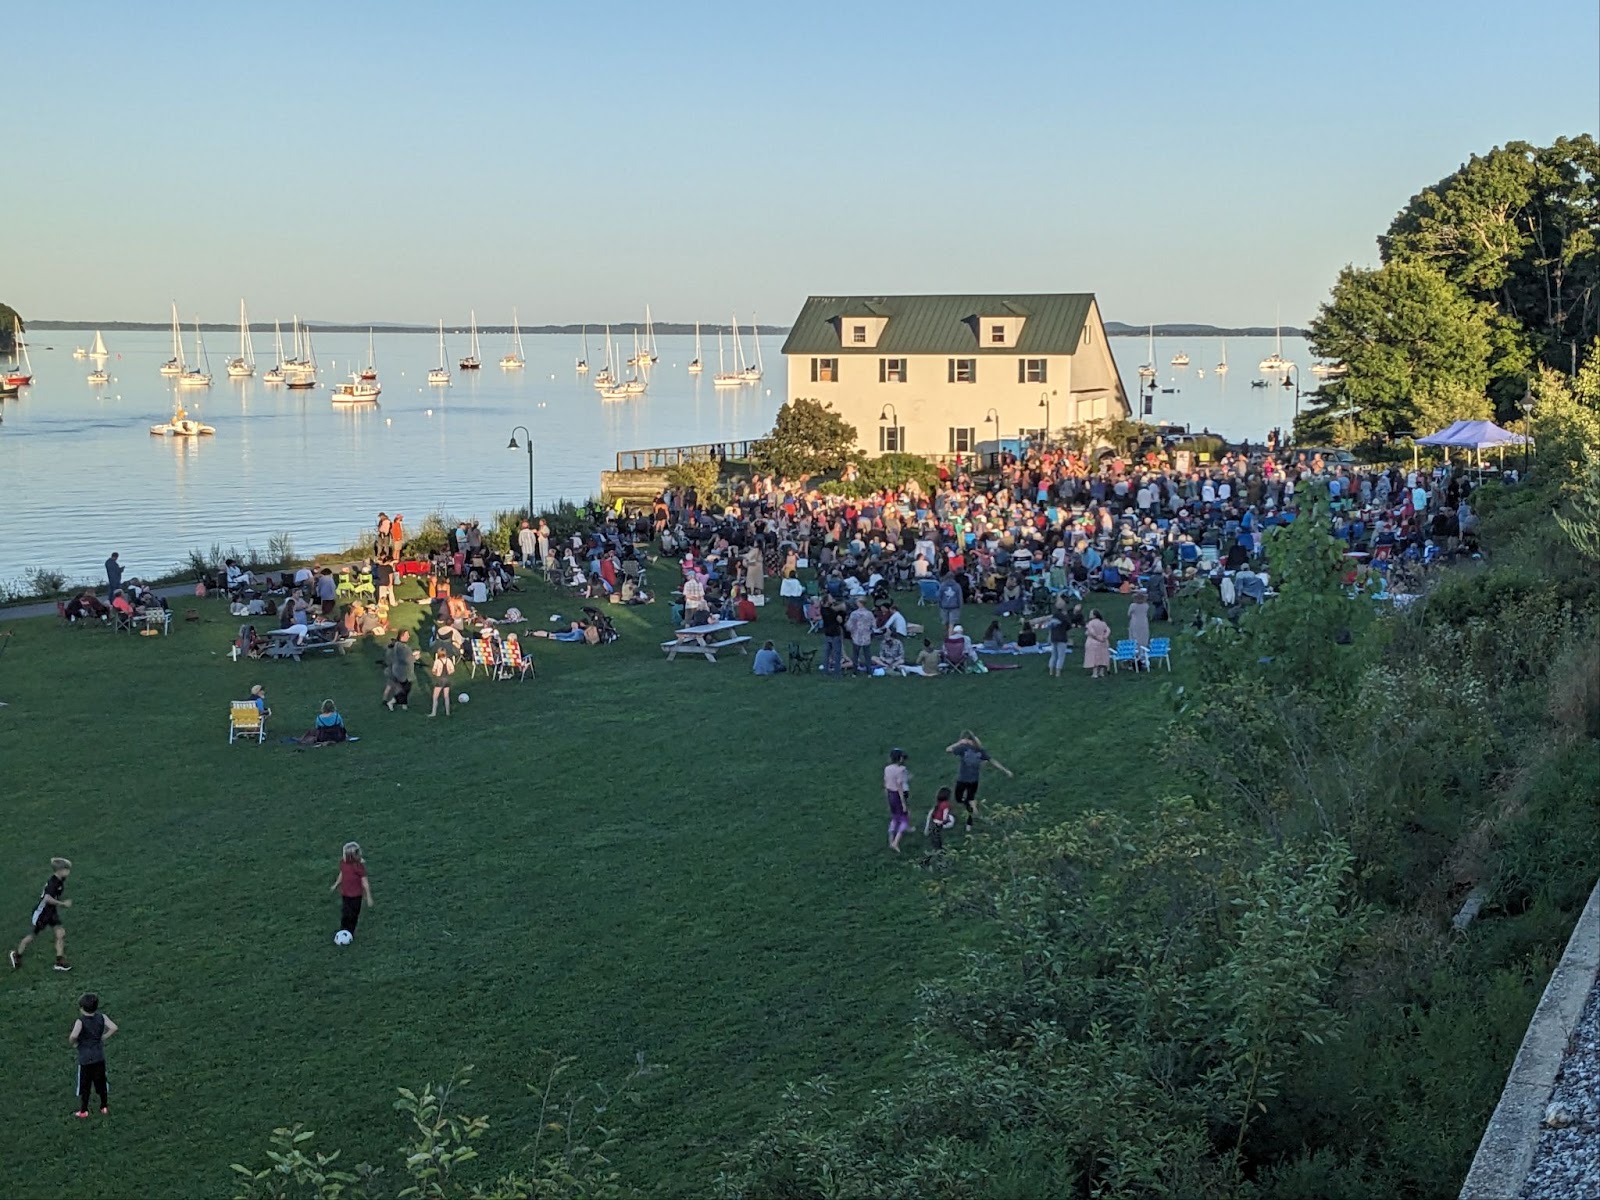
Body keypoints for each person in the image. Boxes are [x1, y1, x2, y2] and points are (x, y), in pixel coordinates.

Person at [11, 857, 73, 972]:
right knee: (32, 936)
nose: (69, 871)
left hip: (51, 912)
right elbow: (47, 898)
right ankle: (17, 954)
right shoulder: (53, 882)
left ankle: (59, 961)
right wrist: (62, 903)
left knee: (60, 933)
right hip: (42, 913)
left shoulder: (60, 879)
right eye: (67, 869)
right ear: (60, 871)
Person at [946, 731, 1014, 830]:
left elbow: (993, 761)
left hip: (973, 780)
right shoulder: (963, 748)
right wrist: (959, 743)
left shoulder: (980, 751)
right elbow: (948, 750)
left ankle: (972, 819)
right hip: (962, 779)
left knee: (970, 799)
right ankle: (973, 810)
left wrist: (1006, 771)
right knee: (959, 798)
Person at [70, 992, 117, 1118]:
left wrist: (74, 1043)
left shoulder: (80, 1021)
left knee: (85, 1085)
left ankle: (84, 1110)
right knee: (101, 1083)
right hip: (99, 1057)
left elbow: (74, 1035)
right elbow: (113, 1027)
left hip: (85, 1059)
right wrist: (103, 1037)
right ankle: (104, 1106)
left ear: (82, 1008)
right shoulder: (102, 1017)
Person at [330, 841, 374, 939]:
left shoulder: (359, 867)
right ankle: (343, 930)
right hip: (345, 894)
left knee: (353, 914)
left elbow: (365, 883)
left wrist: (368, 896)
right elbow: (342, 874)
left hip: (356, 895)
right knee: (345, 912)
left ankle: (350, 932)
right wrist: (336, 884)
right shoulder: (343, 864)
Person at [883, 747, 912, 853]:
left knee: (895, 817)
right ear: (900, 759)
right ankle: (896, 842)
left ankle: (891, 839)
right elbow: (900, 786)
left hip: (890, 794)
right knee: (904, 818)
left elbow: (886, 783)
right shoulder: (900, 770)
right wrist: (903, 803)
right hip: (898, 795)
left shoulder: (887, 768)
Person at [382, 631, 418, 711]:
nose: (408, 636)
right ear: (402, 636)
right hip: (402, 672)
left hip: (403, 671)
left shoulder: (401, 645)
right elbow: (405, 659)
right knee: (404, 689)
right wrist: (415, 657)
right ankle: (392, 702)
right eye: (407, 635)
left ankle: (404, 705)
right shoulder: (401, 647)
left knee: (406, 688)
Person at [922, 787, 955, 863]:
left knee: (935, 845)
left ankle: (932, 860)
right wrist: (947, 821)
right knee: (938, 847)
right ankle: (933, 862)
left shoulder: (938, 803)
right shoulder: (946, 805)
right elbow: (944, 818)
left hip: (932, 825)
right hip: (937, 826)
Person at [845, 597, 875, 673]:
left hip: (856, 636)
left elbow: (849, 626)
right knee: (867, 655)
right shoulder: (869, 613)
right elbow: (874, 624)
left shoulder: (854, 614)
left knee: (855, 654)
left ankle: (855, 671)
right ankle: (869, 671)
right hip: (866, 636)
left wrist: (848, 628)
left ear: (860, 603)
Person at [429, 643, 456, 716]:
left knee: (435, 697)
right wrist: (448, 673)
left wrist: (435, 673)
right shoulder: (449, 660)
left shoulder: (437, 661)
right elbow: (452, 670)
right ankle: (448, 712)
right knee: (446, 696)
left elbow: (434, 670)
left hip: (440, 679)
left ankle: (433, 713)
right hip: (447, 679)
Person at [1084, 609, 1112, 679]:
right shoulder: (1103, 623)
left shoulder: (1090, 623)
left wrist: (1097, 638)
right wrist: (1104, 637)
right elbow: (1108, 631)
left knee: (1094, 657)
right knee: (1103, 657)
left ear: (1094, 615)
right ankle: (1101, 672)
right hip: (1103, 642)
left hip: (1093, 642)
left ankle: (1095, 673)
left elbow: (1092, 632)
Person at [1047, 609, 1072, 677]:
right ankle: (1058, 672)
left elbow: (1049, 628)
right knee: (1061, 656)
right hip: (1062, 638)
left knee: (1053, 655)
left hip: (1053, 638)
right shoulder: (1065, 619)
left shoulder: (1052, 620)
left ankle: (1051, 671)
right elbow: (1069, 627)